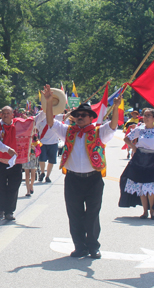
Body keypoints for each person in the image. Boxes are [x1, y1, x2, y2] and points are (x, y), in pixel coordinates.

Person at [43, 84, 122, 259]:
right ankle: (79, 246)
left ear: (90, 118)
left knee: (92, 215)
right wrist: (49, 103)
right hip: (72, 180)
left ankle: (93, 246)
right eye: (77, 115)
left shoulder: (98, 132)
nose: (79, 117)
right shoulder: (68, 131)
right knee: (75, 215)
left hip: (93, 180)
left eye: (83, 115)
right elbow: (50, 122)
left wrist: (115, 107)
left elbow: (114, 125)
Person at [119, 108, 154, 220]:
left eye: (148, 115)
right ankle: (144, 212)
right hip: (140, 159)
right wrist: (133, 147)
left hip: (153, 159)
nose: (145, 117)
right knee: (141, 186)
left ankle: (152, 211)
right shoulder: (140, 129)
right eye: (144, 115)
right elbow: (127, 138)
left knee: (151, 186)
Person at [0, 106, 40, 221]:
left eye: (8, 113)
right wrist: (8, 149)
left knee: (14, 186)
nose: (6, 115)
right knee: (0, 186)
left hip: (16, 162)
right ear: (1, 114)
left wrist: (49, 106)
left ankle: (9, 211)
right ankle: (1, 208)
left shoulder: (19, 124)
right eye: (4, 113)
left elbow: (36, 119)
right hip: (0, 161)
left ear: (13, 114)